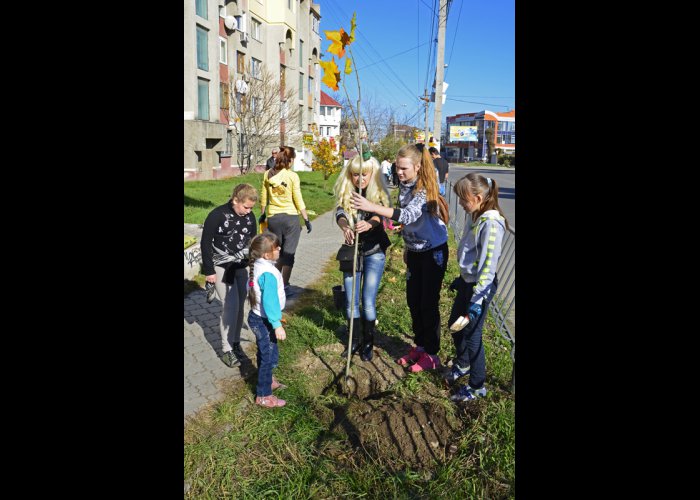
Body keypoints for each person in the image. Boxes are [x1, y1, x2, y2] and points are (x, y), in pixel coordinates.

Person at [351, 143, 449, 372]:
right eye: (397, 168)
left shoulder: (424, 188)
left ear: (417, 166)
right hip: (414, 251)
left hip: (433, 251)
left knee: (428, 303)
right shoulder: (405, 185)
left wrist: (371, 206)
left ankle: (432, 354)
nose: (399, 172)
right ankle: (421, 345)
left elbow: (408, 214)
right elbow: (408, 221)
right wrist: (406, 241)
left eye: (404, 168)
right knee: (413, 301)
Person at [446, 173, 509, 402]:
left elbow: (488, 264)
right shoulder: (476, 215)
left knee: (473, 336)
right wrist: (461, 277)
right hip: (468, 282)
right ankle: (462, 364)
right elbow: (470, 253)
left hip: (480, 288)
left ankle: (477, 386)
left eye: (464, 199)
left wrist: (477, 299)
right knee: (455, 325)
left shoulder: (491, 223)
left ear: (479, 197)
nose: (461, 204)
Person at [334, 153, 392, 361]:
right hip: (352, 253)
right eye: (355, 175)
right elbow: (340, 212)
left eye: (364, 175)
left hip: (374, 250)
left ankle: (368, 342)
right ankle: (354, 340)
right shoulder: (347, 192)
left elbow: (382, 214)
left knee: (367, 300)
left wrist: (370, 223)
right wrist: (345, 227)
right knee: (351, 301)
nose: (360, 179)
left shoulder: (377, 192)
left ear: (372, 174)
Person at [201, 183, 258, 368]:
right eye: (245, 207)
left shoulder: (250, 217)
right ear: (235, 200)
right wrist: (209, 271)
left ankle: (235, 343)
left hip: (241, 266)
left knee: (241, 304)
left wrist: (253, 264)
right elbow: (205, 243)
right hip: (221, 266)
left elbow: (253, 240)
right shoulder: (217, 215)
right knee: (230, 306)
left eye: (251, 208)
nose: (248, 212)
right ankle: (226, 350)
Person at [258, 145, 312, 296]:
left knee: (277, 252)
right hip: (290, 220)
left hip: (273, 218)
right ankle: (285, 286)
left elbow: (264, 196)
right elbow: (298, 198)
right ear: (290, 160)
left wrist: (263, 214)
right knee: (288, 254)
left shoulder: (267, 174)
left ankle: (274, 284)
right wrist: (306, 219)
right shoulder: (292, 176)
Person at [246, 233, 288, 408]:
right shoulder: (269, 273)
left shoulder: (259, 266)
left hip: (259, 318)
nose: (279, 249)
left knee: (268, 352)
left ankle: (268, 379)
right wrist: (277, 324)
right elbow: (269, 301)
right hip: (264, 320)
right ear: (266, 254)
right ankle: (263, 395)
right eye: (276, 248)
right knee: (267, 356)